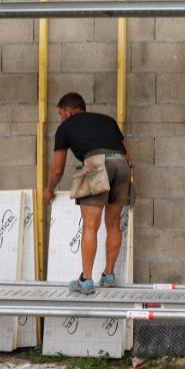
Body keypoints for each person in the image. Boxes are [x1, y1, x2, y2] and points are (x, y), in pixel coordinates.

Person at [44, 92, 132, 294]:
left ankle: (86, 279)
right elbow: (127, 154)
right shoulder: (108, 121)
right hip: (121, 164)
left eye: (60, 113)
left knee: (90, 226)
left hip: (96, 164)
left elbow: (57, 169)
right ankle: (109, 275)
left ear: (68, 111)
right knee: (114, 224)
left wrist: (49, 189)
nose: (60, 118)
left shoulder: (65, 127)